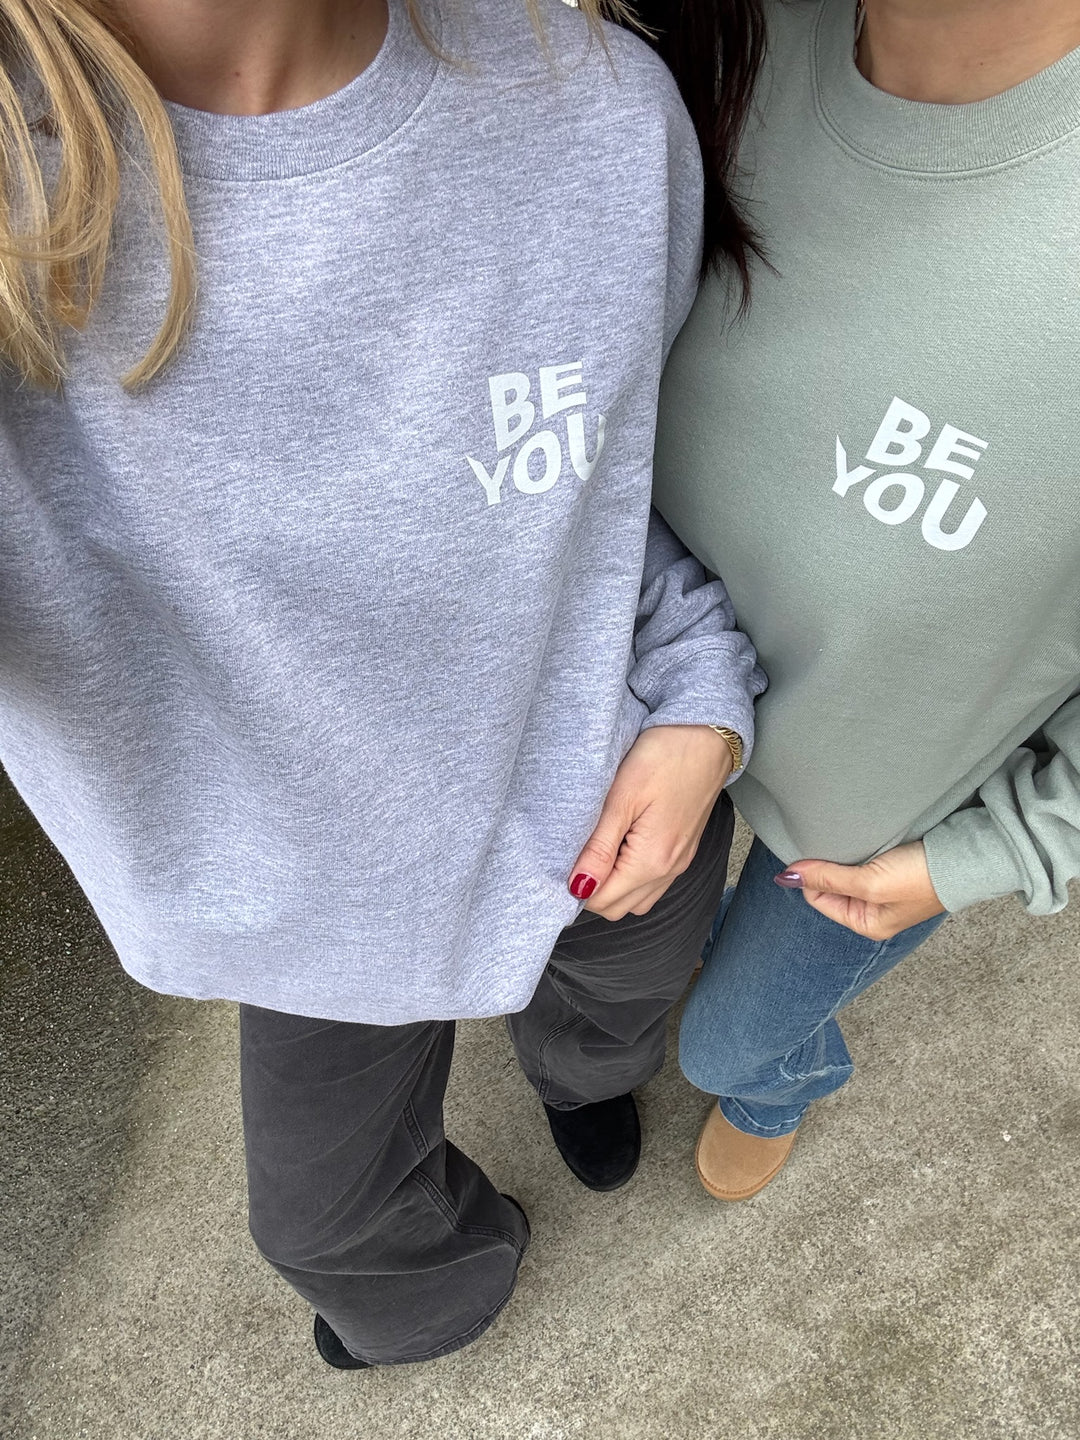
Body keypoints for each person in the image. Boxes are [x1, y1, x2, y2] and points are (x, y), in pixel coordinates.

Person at [0, 0, 768, 1367]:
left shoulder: (593, 104)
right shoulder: (23, 208)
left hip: (612, 785)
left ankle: (574, 1078)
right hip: (319, 905)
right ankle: (448, 1287)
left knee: (609, 1025)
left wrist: (700, 688)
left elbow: (617, 482)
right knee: (328, 1230)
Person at [653, 0, 1080, 1203]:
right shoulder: (709, 41)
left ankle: (783, 1086)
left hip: (866, 823)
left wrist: (993, 851)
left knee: (723, 1043)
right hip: (645, 691)